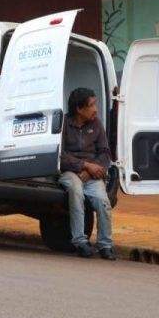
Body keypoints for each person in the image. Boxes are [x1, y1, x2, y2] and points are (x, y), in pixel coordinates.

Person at [59, 88, 115, 260]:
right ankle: (80, 242)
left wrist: (91, 171)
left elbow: (105, 153)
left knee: (103, 201)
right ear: (79, 109)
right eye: (91, 105)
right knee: (76, 193)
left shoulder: (96, 124)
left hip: (92, 175)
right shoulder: (63, 125)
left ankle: (105, 245)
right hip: (70, 172)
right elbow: (60, 155)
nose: (95, 109)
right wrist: (84, 165)